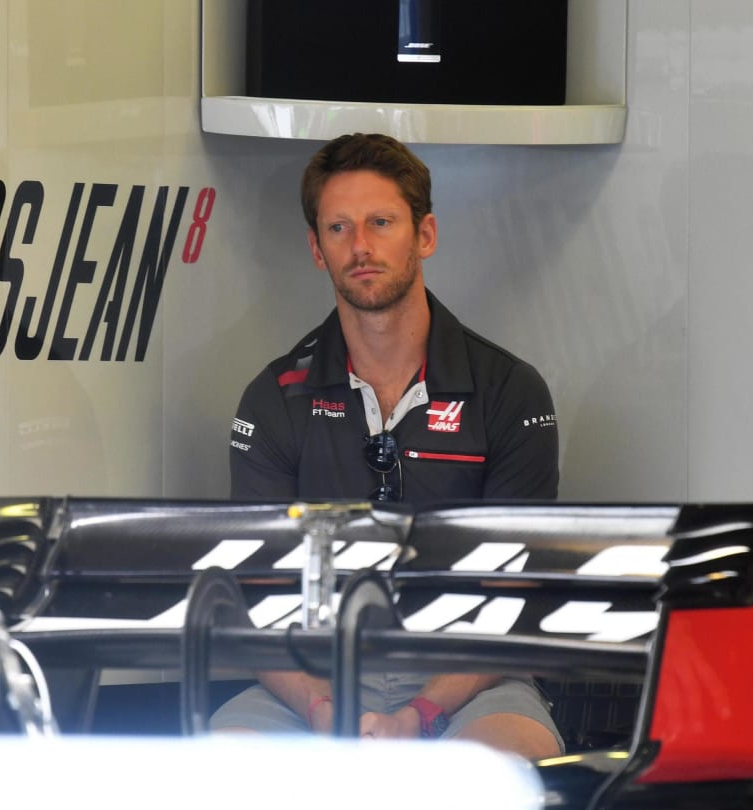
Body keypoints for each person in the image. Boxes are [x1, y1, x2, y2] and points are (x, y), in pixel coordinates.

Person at [215, 132, 563, 759]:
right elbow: (251, 600)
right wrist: (324, 708)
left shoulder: (510, 390)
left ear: (424, 235)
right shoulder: (274, 398)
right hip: (311, 683)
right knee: (220, 768)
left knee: (501, 774)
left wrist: (421, 711)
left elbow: (516, 593)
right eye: (339, 228)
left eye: (381, 222)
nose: (361, 247)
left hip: (471, 678)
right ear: (316, 249)